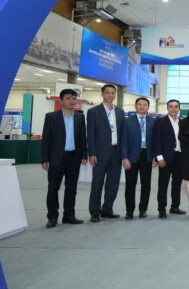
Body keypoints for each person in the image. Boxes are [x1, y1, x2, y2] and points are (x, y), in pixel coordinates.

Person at [41, 89, 87, 228]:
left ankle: (69, 215)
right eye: (68, 98)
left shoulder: (80, 117)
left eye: (74, 98)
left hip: (74, 158)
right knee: (53, 188)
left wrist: (84, 155)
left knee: (71, 189)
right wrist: (44, 159)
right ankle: (52, 217)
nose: (72, 101)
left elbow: (82, 139)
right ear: (61, 100)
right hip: (56, 158)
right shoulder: (51, 117)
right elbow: (46, 139)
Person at [87, 84, 125, 222]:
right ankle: (94, 212)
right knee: (97, 183)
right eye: (107, 92)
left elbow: (123, 134)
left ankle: (107, 209)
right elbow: (90, 134)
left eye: (113, 92)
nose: (110, 95)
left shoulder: (120, 112)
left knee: (113, 183)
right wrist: (92, 153)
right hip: (100, 153)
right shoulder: (93, 112)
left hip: (116, 153)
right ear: (102, 94)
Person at [121, 97, 156, 219]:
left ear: (148, 107)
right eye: (139, 104)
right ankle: (129, 211)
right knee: (130, 184)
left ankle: (143, 209)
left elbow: (155, 141)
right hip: (131, 157)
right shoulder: (127, 121)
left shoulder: (153, 121)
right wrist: (125, 158)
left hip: (147, 156)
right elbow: (123, 141)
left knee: (146, 185)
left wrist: (155, 157)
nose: (142, 106)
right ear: (135, 106)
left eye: (145, 105)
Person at [153, 99, 185, 218]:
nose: (173, 109)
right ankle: (162, 209)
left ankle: (175, 207)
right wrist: (159, 158)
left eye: (176, 106)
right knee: (163, 185)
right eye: (171, 106)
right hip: (165, 158)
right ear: (167, 108)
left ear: (179, 109)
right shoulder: (160, 122)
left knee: (177, 184)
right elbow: (156, 141)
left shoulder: (182, 122)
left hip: (180, 157)